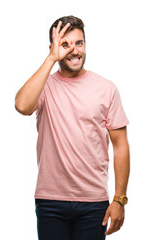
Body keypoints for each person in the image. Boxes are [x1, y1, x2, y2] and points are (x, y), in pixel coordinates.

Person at [15, 15, 130, 240]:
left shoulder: (106, 88)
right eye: (65, 44)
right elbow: (21, 106)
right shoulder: (44, 86)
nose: (74, 50)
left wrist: (119, 199)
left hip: (94, 202)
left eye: (79, 43)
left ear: (85, 44)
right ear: (53, 48)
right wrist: (50, 59)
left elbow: (120, 146)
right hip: (50, 202)